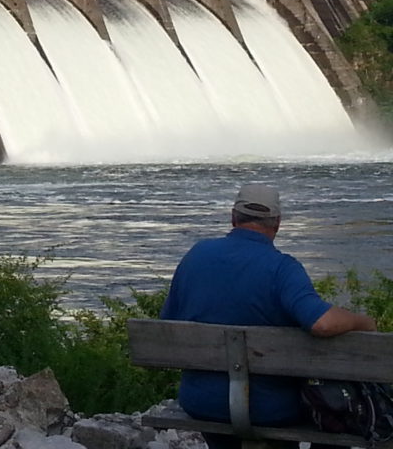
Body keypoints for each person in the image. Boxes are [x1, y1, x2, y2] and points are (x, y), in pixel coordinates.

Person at [161, 183, 377, 449]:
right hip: (268, 408)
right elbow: (322, 323)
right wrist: (364, 322)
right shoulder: (282, 269)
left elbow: (167, 324)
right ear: (277, 224)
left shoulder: (195, 256)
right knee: (335, 413)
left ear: (233, 217)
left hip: (200, 401)